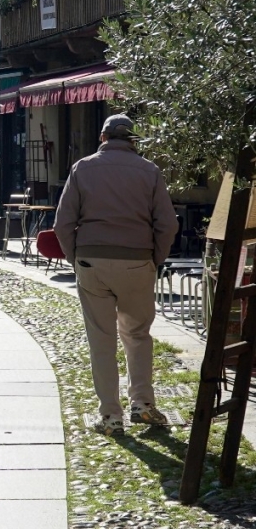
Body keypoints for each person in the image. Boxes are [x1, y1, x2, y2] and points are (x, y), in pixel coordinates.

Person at [53, 114, 179, 436]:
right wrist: (155, 259)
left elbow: (63, 224)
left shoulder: (82, 168)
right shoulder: (150, 171)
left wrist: (75, 258)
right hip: (137, 261)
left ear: (103, 136)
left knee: (101, 340)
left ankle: (110, 416)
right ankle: (143, 403)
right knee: (137, 335)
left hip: (92, 260)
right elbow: (167, 224)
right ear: (133, 140)